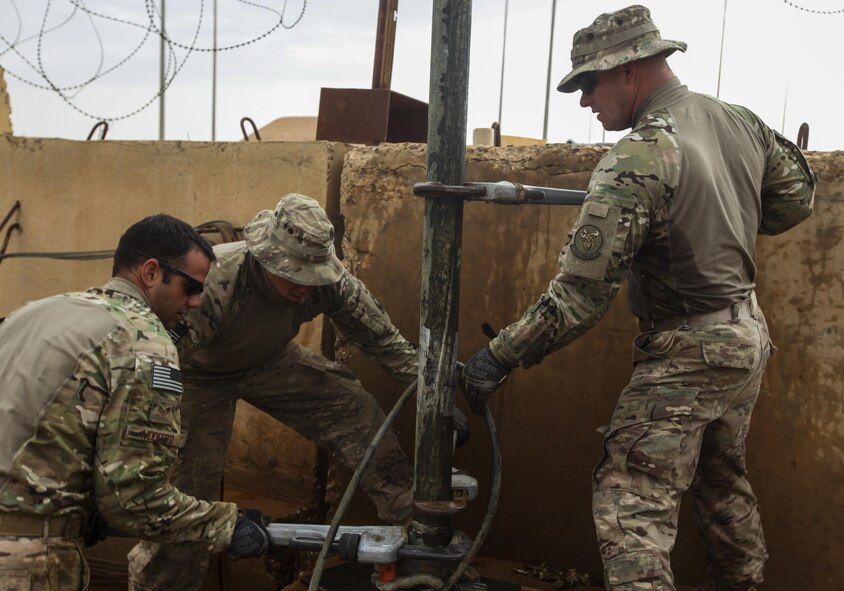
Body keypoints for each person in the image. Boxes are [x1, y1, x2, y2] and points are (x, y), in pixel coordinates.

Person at [460, 5, 815, 591]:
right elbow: (795, 199)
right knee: (722, 483)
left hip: (690, 350)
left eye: (588, 84)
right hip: (745, 333)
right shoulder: (737, 120)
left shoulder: (639, 155)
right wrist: (720, 222)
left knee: (630, 497)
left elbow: (579, 298)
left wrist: (498, 356)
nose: (583, 101)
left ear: (630, 71)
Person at [128, 193, 457, 590]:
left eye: (312, 274)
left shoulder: (330, 283)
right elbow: (157, 366)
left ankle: (417, 535)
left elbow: (384, 342)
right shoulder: (217, 283)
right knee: (186, 493)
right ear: (264, 259)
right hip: (197, 375)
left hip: (271, 361)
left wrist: (434, 399)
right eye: (294, 274)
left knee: (355, 410)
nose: (305, 285)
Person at [0, 214, 273, 590]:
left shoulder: (31, 313)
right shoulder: (142, 340)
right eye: (190, 286)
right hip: (25, 561)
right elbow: (132, 498)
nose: (196, 302)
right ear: (150, 272)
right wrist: (228, 524)